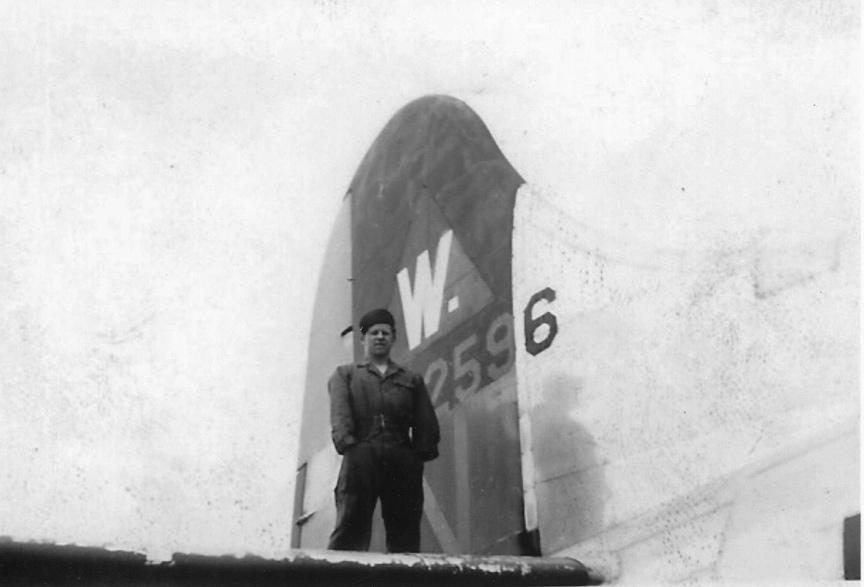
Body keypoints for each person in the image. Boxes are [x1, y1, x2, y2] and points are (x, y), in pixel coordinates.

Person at [327, 308, 440, 553]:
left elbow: (425, 420)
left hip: (401, 454)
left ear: (393, 338)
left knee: (405, 530)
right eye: (374, 332)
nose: (380, 337)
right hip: (362, 453)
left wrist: (419, 453)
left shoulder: (411, 379)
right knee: (351, 526)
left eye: (385, 333)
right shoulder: (346, 374)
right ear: (363, 338)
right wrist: (349, 444)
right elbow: (340, 413)